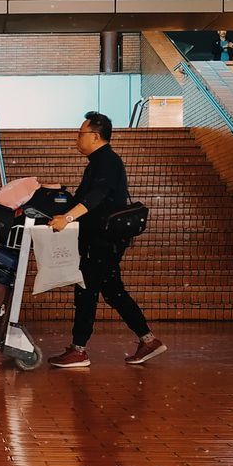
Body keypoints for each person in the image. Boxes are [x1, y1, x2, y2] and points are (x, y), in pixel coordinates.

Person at [48, 111, 166, 368]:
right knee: (113, 292)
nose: (77, 139)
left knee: (86, 291)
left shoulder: (107, 161)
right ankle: (148, 340)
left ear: (95, 136)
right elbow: (84, 198)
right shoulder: (99, 162)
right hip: (103, 241)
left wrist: (67, 218)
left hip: (102, 241)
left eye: (81, 134)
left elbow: (97, 196)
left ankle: (79, 350)